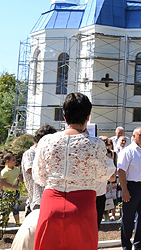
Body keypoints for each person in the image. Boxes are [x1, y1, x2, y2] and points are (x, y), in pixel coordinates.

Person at [33, 93, 116, 250]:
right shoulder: (95, 144)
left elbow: (39, 177)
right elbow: (110, 176)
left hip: (51, 203)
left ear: (64, 116)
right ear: (88, 117)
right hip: (83, 207)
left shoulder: (46, 141)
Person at [22, 125, 57, 215]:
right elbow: (33, 171)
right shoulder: (30, 153)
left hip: (49, 197)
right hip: (37, 198)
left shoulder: (47, 152)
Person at [0, 152, 22, 226]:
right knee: (6, 208)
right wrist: (13, 186)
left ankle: (17, 223)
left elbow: (20, 179)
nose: (15, 161)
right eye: (13, 160)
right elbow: (3, 183)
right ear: (7, 161)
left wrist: (20, 179)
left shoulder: (17, 169)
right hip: (7, 192)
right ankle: (4, 222)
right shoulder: (4, 171)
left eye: (15, 160)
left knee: (16, 207)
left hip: (15, 192)